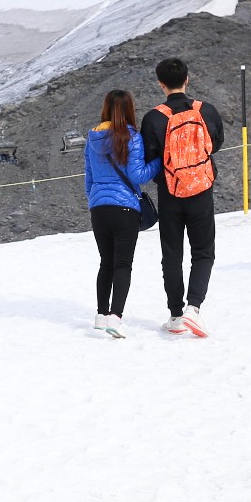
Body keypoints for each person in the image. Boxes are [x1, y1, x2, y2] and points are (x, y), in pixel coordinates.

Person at [140, 57, 225, 337]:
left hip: (170, 193)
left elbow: (149, 157)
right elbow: (216, 144)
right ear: (187, 79)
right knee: (203, 251)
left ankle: (176, 315)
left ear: (160, 84)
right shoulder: (206, 110)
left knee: (172, 253)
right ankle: (194, 308)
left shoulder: (154, 117)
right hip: (201, 189)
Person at [84, 89, 161, 338]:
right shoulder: (132, 137)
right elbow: (138, 176)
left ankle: (100, 314)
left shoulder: (92, 137)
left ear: (106, 108)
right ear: (129, 110)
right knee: (122, 265)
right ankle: (116, 317)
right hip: (125, 208)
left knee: (105, 262)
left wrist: (96, 200)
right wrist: (159, 160)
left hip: (99, 208)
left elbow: (89, 178)